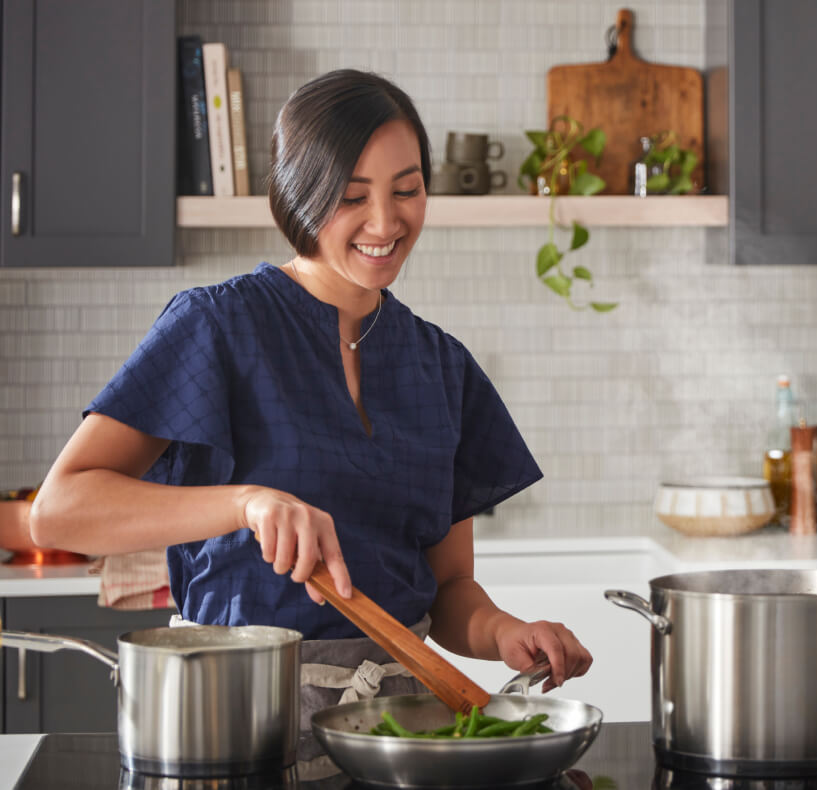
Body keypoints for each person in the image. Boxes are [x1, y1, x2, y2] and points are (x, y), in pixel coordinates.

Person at [29, 69, 592, 776]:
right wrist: (245, 503)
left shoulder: (443, 367)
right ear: (298, 194)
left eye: (407, 190)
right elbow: (59, 511)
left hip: (398, 740)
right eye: (352, 197)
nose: (386, 223)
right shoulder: (217, 327)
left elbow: (449, 593)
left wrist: (508, 631)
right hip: (231, 725)